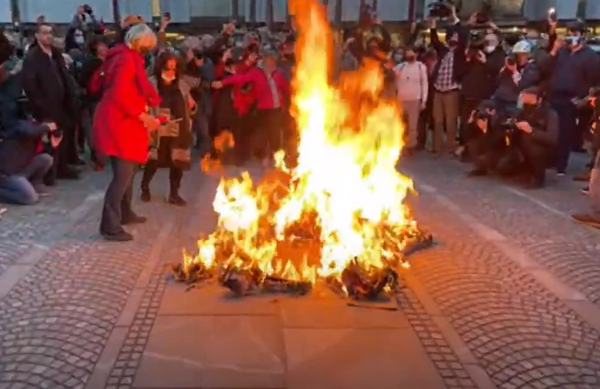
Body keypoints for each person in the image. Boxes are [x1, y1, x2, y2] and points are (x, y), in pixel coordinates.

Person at [93, 24, 161, 242]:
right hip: (119, 123)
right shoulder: (125, 60)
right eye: (147, 46)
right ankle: (110, 226)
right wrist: (143, 116)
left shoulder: (126, 57)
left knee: (128, 172)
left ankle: (125, 213)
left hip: (123, 120)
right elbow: (120, 94)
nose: (148, 50)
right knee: (122, 175)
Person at [21, 23, 80, 184]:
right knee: (50, 141)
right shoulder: (33, 57)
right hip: (46, 106)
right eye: (45, 33)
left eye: (50, 33)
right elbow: (30, 84)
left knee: (64, 137)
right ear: (37, 36)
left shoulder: (55, 54)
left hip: (63, 103)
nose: (49, 36)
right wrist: (40, 105)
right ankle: (49, 173)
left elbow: (65, 77)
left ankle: (62, 168)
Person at [212, 50, 291, 165]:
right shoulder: (256, 73)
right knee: (265, 134)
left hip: (277, 109)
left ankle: (275, 156)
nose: (271, 64)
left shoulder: (277, 74)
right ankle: (265, 156)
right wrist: (222, 83)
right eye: (269, 62)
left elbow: (285, 86)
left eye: (273, 62)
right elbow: (240, 78)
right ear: (265, 62)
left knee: (275, 133)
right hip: (264, 110)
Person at [140, 52, 198, 206]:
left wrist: (192, 106)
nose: (171, 71)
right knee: (153, 161)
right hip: (157, 128)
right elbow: (142, 105)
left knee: (177, 161)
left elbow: (190, 105)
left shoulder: (181, 84)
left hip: (178, 127)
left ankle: (174, 193)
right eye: (168, 67)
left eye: (174, 68)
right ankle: (145, 187)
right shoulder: (151, 83)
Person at [547, 20, 600, 175]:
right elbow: (549, 67)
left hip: (571, 99)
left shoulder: (591, 57)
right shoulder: (562, 51)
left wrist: (583, 98)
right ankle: (551, 159)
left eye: (574, 34)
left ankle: (561, 165)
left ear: (582, 36)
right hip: (554, 94)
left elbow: (594, 81)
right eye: (569, 33)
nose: (571, 37)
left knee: (565, 132)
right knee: (553, 130)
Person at [0, 62, 57, 204]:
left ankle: (34, 183)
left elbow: (39, 142)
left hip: (21, 166)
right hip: (7, 171)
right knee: (30, 198)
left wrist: (51, 139)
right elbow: (25, 130)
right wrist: (46, 128)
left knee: (46, 159)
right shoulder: (14, 121)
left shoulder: (30, 121)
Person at [427, 8, 470, 155]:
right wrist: (433, 26)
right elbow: (434, 40)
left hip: (452, 90)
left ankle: (450, 146)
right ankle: (437, 146)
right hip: (438, 89)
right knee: (437, 119)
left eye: (454, 37)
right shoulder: (443, 50)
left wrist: (455, 18)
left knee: (451, 120)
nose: (452, 39)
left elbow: (464, 35)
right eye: (450, 37)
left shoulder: (460, 52)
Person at [394, 46, 428, 154]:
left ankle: (411, 146)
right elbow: (391, 75)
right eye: (408, 53)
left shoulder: (420, 67)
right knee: (400, 124)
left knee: (413, 126)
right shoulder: (400, 67)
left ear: (416, 54)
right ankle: (399, 144)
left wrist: (424, 100)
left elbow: (424, 84)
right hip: (401, 100)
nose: (410, 55)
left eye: (412, 53)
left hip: (415, 99)